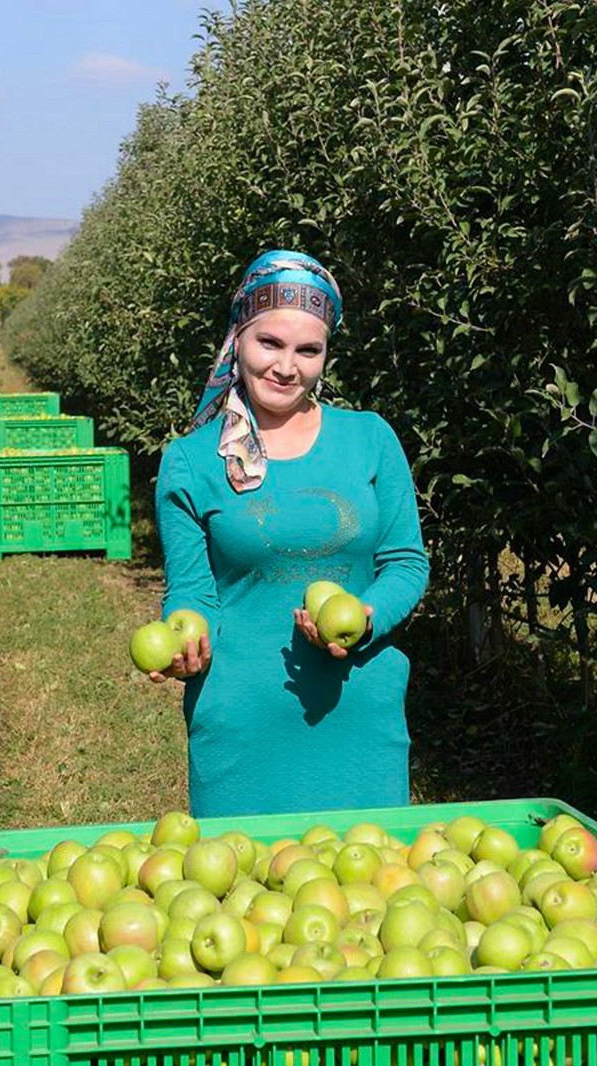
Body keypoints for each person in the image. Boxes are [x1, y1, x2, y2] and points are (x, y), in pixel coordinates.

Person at [151, 249, 430, 818]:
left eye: (309, 350)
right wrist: (188, 639)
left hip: (359, 714)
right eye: (269, 344)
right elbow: (192, 590)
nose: (287, 366)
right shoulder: (191, 461)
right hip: (241, 721)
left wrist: (367, 616)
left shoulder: (369, 439)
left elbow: (406, 562)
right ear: (238, 340)